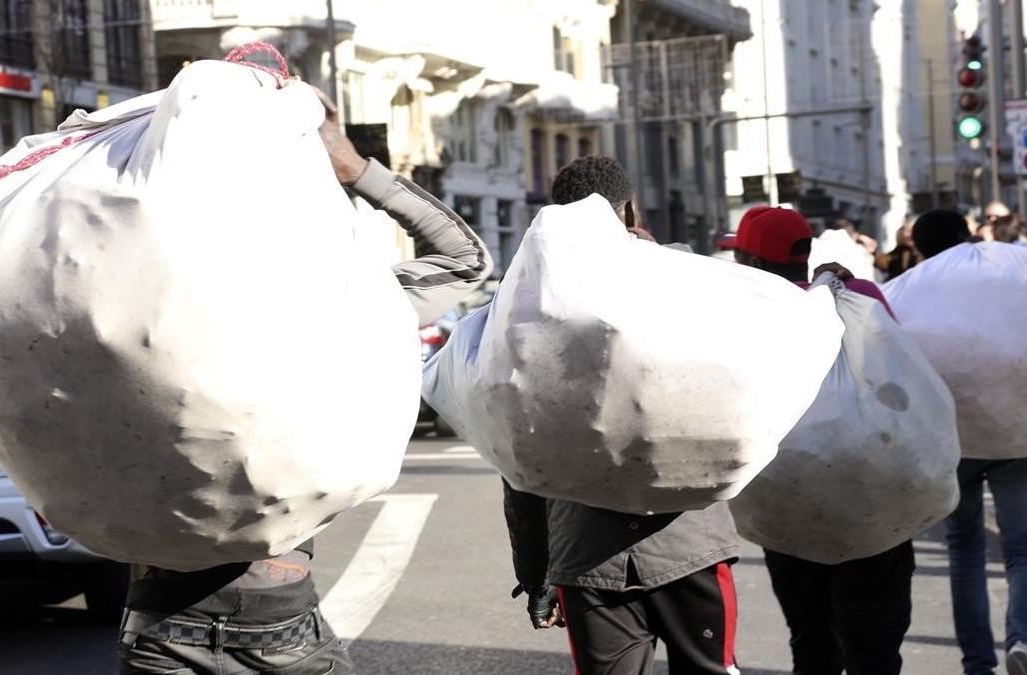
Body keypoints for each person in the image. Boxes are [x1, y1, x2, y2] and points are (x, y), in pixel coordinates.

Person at [117, 88, 492, 674]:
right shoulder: (329, 301)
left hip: (157, 622)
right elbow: (463, 260)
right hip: (276, 620)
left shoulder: (127, 304)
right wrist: (354, 167)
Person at [502, 156, 741, 675]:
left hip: (586, 556)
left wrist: (537, 571)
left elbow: (519, 457)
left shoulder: (528, 308)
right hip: (687, 543)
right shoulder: (688, 281)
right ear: (629, 209)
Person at [731, 206, 914, 675]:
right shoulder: (862, 295)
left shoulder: (746, 312)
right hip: (874, 499)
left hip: (790, 507)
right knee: (874, 649)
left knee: (812, 642)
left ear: (750, 262)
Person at [911, 208, 1027, 675]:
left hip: (955, 440)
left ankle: (977, 664)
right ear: (967, 237)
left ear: (920, 248)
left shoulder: (914, 288)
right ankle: (1025, 640)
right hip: (1012, 433)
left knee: (965, 550)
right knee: (1023, 549)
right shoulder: (1002, 278)